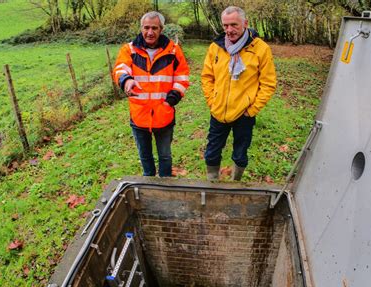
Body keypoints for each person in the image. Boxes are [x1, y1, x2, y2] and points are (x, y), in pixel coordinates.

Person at [201, 6, 276, 181]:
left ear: (245, 23)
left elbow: (268, 83)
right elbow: (207, 77)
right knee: (211, 152)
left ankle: (236, 184)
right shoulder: (215, 47)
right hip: (218, 111)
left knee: (240, 154)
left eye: (234, 25)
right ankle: (212, 183)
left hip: (244, 113)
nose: (229, 30)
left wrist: (252, 109)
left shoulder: (260, 48)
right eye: (225, 25)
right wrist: (212, 101)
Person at [113, 11, 190, 177]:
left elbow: (182, 77)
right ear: (141, 28)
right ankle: (148, 184)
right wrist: (126, 80)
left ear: (161, 29)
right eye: (146, 27)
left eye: (154, 28)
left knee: (165, 156)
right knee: (145, 156)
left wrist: (172, 98)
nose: (150, 32)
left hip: (164, 115)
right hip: (139, 116)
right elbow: (120, 69)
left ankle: (165, 184)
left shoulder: (173, 51)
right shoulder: (129, 50)